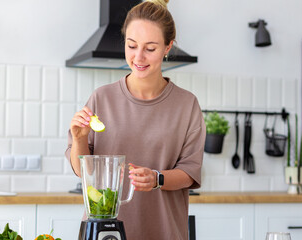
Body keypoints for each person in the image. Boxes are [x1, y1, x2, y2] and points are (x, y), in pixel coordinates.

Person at [65, 0, 206, 239]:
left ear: (167, 47)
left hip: (163, 231)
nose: (138, 57)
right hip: (103, 233)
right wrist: (79, 139)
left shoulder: (186, 104)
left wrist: (157, 178)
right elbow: (82, 171)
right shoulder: (102, 98)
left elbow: (190, 172)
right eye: (131, 46)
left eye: (150, 48)